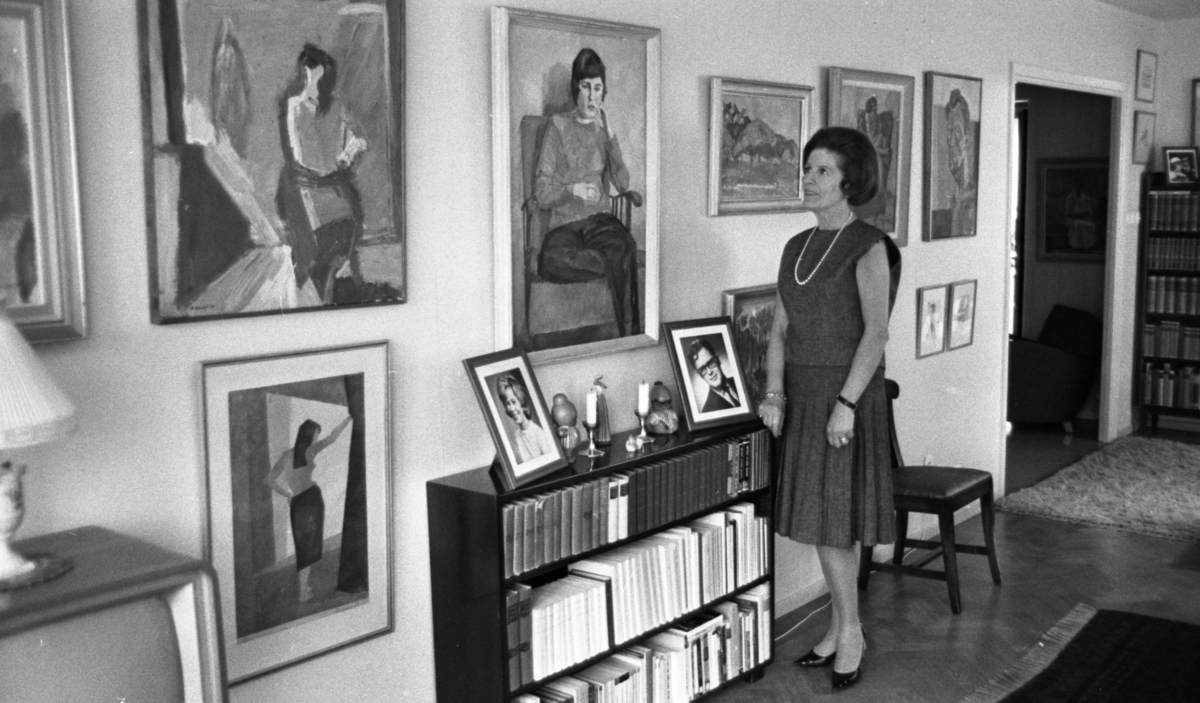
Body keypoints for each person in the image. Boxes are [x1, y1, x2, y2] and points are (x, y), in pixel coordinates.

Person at [759, 126, 901, 692]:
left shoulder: (868, 245)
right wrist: (774, 393)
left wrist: (845, 403)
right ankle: (841, 627)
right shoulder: (795, 248)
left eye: (822, 170)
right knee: (823, 520)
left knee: (836, 521)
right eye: (807, 168)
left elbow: (876, 334)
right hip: (803, 397)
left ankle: (851, 633)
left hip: (847, 397)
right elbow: (779, 329)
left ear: (849, 181)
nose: (809, 179)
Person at [535, 48, 641, 337]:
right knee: (550, 261)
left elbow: (623, 183)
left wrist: (610, 135)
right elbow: (542, 192)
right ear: (575, 88)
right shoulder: (557, 127)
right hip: (564, 226)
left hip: (599, 223)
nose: (592, 96)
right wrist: (573, 190)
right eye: (585, 87)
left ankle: (629, 334)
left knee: (625, 247)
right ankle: (609, 263)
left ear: (603, 92)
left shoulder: (602, 132)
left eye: (597, 88)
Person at [275, 44, 369, 304]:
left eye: (321, 79)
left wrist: (347, 154)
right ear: (303, 75)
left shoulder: (336, 105)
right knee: (316, 237)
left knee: (347, 224)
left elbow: (360, 140)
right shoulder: (294, 105)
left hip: (333, 181)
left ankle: (329, 279)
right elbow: (296, 155)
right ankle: (316, 280)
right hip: (306, 181)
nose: (316, 86)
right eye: (311, 78)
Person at [267, 415, 353, 602]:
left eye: (317, 436)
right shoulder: (310, 450)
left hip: (299, 502)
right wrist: (347, 420)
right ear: (307, 435)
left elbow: (270, 480)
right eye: (315, 435)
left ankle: (303, 589)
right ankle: (302, 592)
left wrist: (288, 493)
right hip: (310, 501)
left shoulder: (287, 455)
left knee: (304, 546)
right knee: (309, 546)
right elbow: (332, 437)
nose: (316, 439)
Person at [497, 373, 554, 462]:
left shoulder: (538, 433)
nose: (511, 408)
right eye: (507, 404)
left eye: (514, 402)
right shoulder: (517, 435)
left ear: (521, 401)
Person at [688, 338, 742, 412]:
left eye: (710, 363)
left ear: (718, 360)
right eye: (703, 369)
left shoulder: (741, 381)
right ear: (700, 375)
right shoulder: (707, 411)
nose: (709, 372)